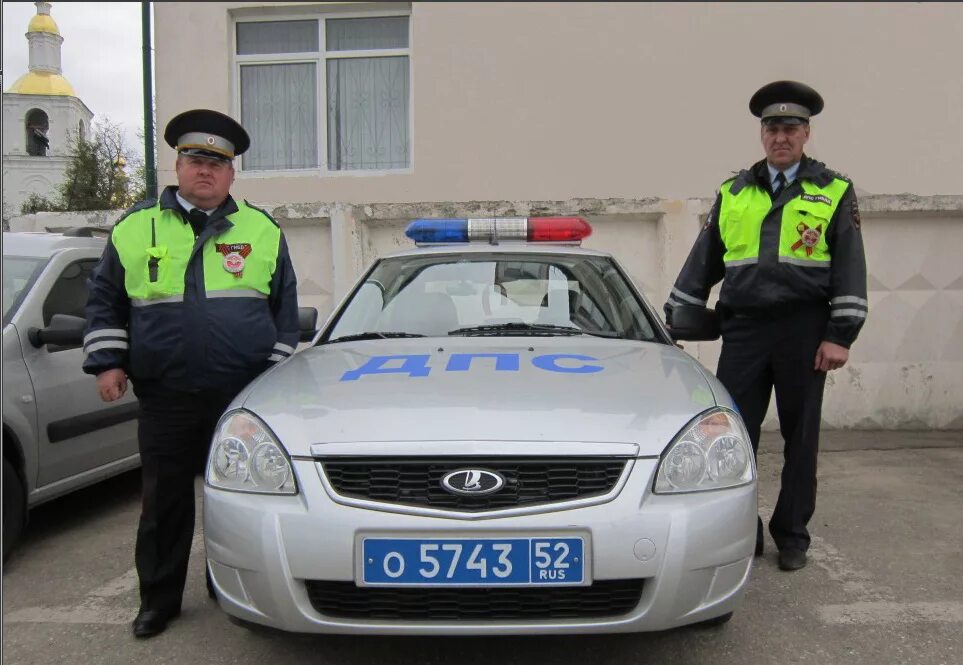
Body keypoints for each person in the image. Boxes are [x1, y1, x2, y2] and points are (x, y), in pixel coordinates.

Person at [82, 109, 300, 637]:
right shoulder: (137, 228)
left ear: (231, 174)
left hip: (240, 397)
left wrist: (270, 377)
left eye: (217, 163)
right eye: (195, 159)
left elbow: (285, 311)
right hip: (167, 394)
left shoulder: (261, 229)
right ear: (178, 165)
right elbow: (105, 300)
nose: (205, 170)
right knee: (165, 501)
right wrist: (109, 361)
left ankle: (227, 587)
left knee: (236, 500)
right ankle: (158, 600)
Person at [664, 81, 867, 572]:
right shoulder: (734, 191)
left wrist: (840, 334)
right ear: (762, 135)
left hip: (804, 330)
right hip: (746, 332)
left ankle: (792, 534)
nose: (782, 137)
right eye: (773, 128)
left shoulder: (833, 190)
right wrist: (677, 316)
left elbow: (849, 265)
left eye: (791, 128)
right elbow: (705, 260)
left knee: (801, 438)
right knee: (734, 435)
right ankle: (743, 529)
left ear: (806, 133)